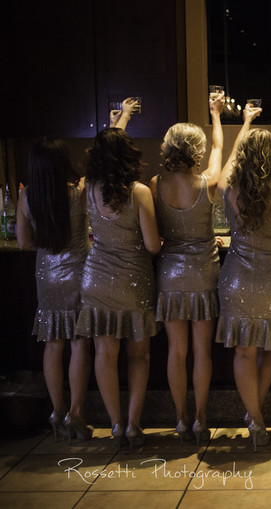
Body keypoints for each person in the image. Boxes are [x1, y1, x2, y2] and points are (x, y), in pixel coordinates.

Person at [75, 100, 161, 451]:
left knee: (104, 355)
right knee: (138, 356)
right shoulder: (138, 192)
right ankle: (134, 424)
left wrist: (121, 119)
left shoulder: (87, 189)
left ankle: (114, 424)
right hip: (133, 280)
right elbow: (153, 246)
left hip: (96, 279)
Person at [215, 105, 271, 451]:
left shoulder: (229, 191)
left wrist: (244, 125)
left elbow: (224, 173)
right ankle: (255, 415)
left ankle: (255, 417)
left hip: (236, 276)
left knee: (244, 352)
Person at [149, 92, 225, 445]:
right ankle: (201, 417)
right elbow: (219, 151)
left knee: (176, 351)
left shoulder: (155, 184)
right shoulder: (207, 183)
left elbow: (154, 233)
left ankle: (179, 417)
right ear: (196, 151)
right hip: (204, 271)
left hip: (170, 273)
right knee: (202, 351)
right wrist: (217, 115)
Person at [17, 138, 92, 443]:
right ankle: (76, 412)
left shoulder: (26, 197)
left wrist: (50, 250)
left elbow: (24, 243)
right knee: (78, 344)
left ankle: (56, 412)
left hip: (47, 273)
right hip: (78, 271)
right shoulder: (80, 191)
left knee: (52, 344)